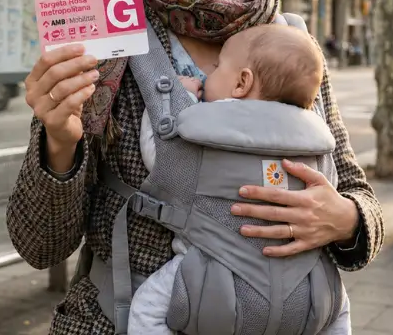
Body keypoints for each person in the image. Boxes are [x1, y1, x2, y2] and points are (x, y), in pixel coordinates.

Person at [7, 0, 384, 335]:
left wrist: (344, 219)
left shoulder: (292, 43)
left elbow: (360, 196)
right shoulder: (104, 39)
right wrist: (59, 142)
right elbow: (39, 244)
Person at [129, 23, 352, 334]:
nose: (209, 75)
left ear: (242, 82)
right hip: (304, 286)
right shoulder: (314, 139)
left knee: (147, 309)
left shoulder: (207, 124)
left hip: (211, 276)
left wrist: (180, 100)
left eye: (219, 67)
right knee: (338, 311)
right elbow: (336, 183)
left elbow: (161, 156)